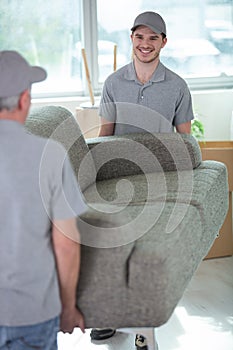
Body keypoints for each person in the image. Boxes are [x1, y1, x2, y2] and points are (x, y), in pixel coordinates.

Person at [93, 11, 194, 350]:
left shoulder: (178, 86)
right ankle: (107, 315)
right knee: (110, 247)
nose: (145, 44)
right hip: (119, 177)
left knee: (146, 254)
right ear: (131, 40)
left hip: (159, 180)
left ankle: (143, 329)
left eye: (153, 38)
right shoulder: (113, 82)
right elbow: (105, 134)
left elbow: (185, 141)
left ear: (164, 42)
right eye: (140, 37)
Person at [0, 50, 87, 349]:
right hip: (32, 314)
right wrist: (68, 308)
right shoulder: (49, 154)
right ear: (25, 99)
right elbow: (66, 242)